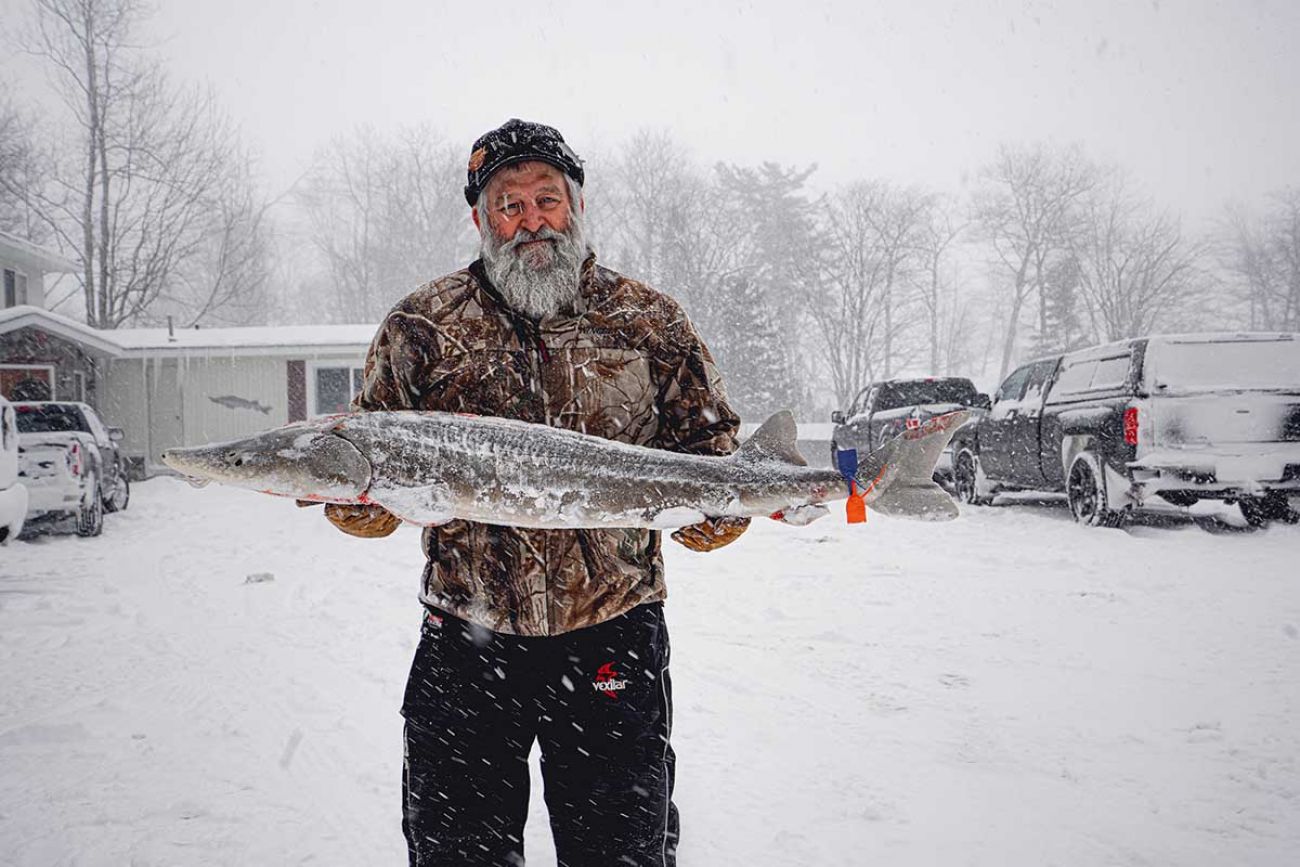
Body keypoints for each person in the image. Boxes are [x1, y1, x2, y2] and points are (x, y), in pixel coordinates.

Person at [322, 118, 749, 867]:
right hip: (466, 639)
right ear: (481, 220)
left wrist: (718, 519)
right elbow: (361, 469)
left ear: (577, 205)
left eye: (545, 199)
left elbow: (714, 458)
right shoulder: (422, 326)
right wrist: (356, 508)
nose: (531, 221)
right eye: (508, 206)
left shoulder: (650, 322)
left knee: (622, 852)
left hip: (612, 635)